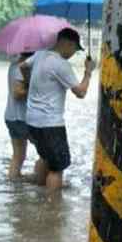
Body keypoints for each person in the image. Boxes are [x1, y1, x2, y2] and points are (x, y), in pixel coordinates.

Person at [20, 28, 96, 191]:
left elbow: (23, 67)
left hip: (32, 120)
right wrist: (88, 72)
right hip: (51, 125)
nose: (73, 54)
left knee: (45, 157)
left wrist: (30, 84)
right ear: (67, 43)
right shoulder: (61, 64)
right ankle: (52, 208)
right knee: (57, 168)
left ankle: (39, 200)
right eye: (75, 50)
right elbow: (81, 92)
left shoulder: (40, 55)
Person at [5, 52, 34, 179]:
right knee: (47, 153)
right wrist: (35, 89)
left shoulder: (14, 64)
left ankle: (14, 188)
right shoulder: (22, 67)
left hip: (11, 116)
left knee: (18, 156)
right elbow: (17, 93)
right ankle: (43, 184)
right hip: (22, 118)